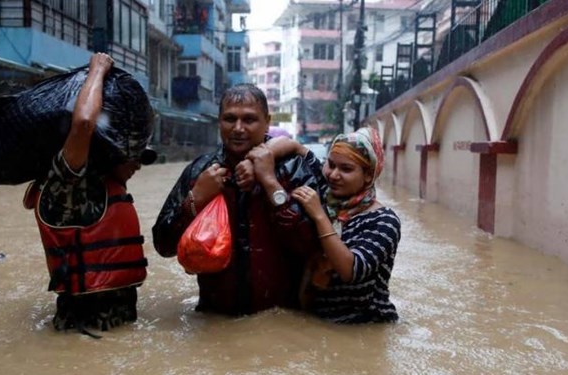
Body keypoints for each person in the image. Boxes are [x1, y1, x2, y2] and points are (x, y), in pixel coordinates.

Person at [151, 84, 327, 316]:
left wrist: (270, 182)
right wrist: (196, 199)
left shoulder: (292, 168)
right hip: (214, 319)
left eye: (249, 119)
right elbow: (163, 245)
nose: (238, 128)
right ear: (219, 122)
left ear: (267, 121)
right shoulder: (201, 172)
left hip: (282, 321)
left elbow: (314, 245)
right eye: (230, 119)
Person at [23, 53, 154, 336]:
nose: (138, 164)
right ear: (108, 153)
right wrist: (98, 69)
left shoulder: (101, 187)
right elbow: (83, 124)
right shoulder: (70, 184)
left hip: (110, 332)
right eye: (131, 155)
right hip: (86, 332)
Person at [270, 127, 401, 324]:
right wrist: (255, 160)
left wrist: (319, 216)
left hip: (363, 327)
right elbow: (292, 146)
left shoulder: (383, 220)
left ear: (368, 175)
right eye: (331, 165)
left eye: (346, 169)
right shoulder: (325, 191)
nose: (333, 175)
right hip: (319, 321)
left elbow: (351, 270)